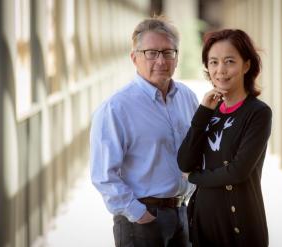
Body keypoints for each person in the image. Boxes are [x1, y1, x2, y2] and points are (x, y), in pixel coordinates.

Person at [90, 16, 198, 247]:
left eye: (168, 52)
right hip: (142, 221)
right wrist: (139, 214)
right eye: (151, 52)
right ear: (134, 57)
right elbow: (103, 175)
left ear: (177, 57)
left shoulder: (187, 98)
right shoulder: (117, 108)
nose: (161, 60)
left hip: (183, 214)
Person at [177, 29, 272, 247]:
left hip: (238, 224)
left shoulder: (258, 113)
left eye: (229, 61)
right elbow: (184, 162)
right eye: (213, 62)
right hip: (202, 224)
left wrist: (194, 178)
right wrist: (202, 113)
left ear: (246, 65)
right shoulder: (210, 112)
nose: (220, 70)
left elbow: (238, 171)